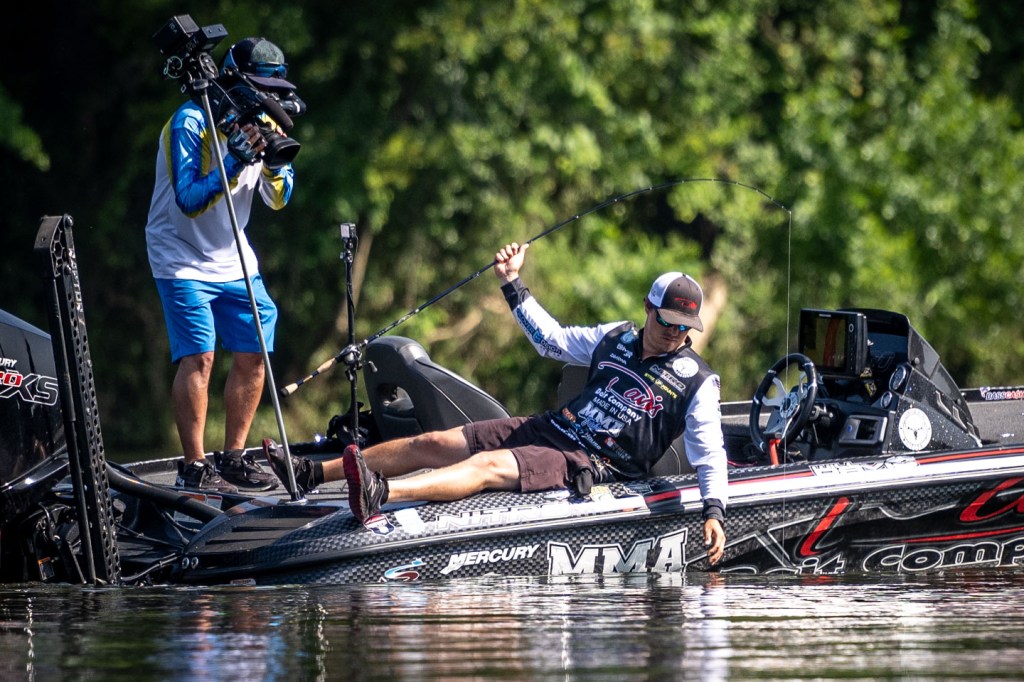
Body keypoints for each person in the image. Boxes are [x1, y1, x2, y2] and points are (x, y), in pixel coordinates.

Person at [265, 242, 728, 563]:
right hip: (553, 427)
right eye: (667, 321)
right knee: (434, 442)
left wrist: (713, 511)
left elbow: (710, 452)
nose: (675, 333)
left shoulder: (699, 381)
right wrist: (512, 282)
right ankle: (311, 474)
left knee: (486, 466)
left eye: (684, 327)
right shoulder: (616, 337)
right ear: (648, 308)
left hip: (591, 461)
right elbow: (550, 340)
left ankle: (381, 493)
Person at [145, 37, 299, 493]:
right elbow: (189, 200)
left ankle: (233, 458)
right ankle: (194, 466)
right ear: (237, 81)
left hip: (232, 254)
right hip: (179, 253)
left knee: (254, 349)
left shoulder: (266, 120)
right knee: (200, 354)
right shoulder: (190, 121)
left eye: (275, 89)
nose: (268, 96)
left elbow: (278, 200)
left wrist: (271, 162)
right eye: (261, 87)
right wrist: (234, 159)